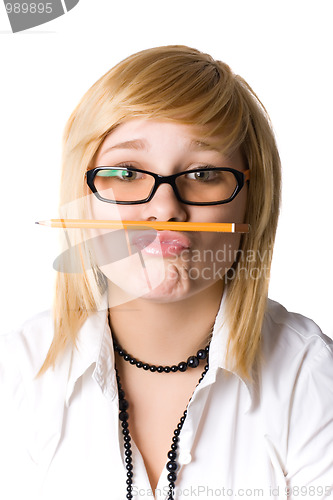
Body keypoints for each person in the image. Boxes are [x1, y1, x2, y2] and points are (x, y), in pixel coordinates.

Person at [1, 45, 332, 500]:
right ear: (83, 196)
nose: (165, 209)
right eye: (126, 172)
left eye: (203, 174)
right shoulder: (16, 373)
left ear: (251, 199)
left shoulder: (310, 377)